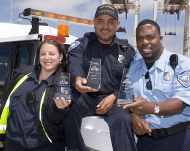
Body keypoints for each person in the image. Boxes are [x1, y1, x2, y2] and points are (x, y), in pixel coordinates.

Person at [63, 4, 137, 151]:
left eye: (110, 22)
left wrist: (114, 96)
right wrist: (77, 79)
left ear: (117, 25)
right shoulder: (82, 43)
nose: (105, 26)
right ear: (94, 23)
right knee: (68, 107)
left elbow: (130, 80)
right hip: (86, 97)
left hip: (113, 100)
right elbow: (74, 60)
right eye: (100, 21)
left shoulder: (127, 50)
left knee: (124, 119)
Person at [123, 19, 190, 151]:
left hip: (179, 139)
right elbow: (127, 100)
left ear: (160, 38)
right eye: (140, 38)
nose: (145, 42)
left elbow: (180, 103)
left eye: (150, 37)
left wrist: (152, 108)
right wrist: (133, 116)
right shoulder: (134, 67)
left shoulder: (181, 63)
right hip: (145, 142)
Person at [0, 40, 71, 151]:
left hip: (43, 146)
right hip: (12, 144)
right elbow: (6, 106)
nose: (47, 57)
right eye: (43, 54)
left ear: (60, 57)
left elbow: (57, 122)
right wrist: (1, 136)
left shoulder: (64, 84)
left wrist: (61, 109)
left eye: (52, 54)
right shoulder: (22, 75)